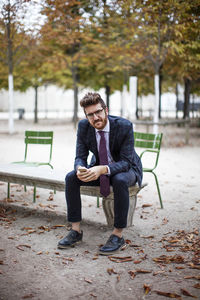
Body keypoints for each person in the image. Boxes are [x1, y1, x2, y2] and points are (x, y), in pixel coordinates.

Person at [58, 92, 143, 255]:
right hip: (97, 168)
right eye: (90, 114)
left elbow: (126, 162)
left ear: (106, 110)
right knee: (71, 177)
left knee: (118, 180)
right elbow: (80, 156)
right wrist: (80, 168)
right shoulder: (84, 126)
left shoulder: (124, 126)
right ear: (86, 116)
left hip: (128, 169)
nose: (95, 117)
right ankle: (75, 231)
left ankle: (117, 234)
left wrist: (104, 169)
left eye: (98, 112)